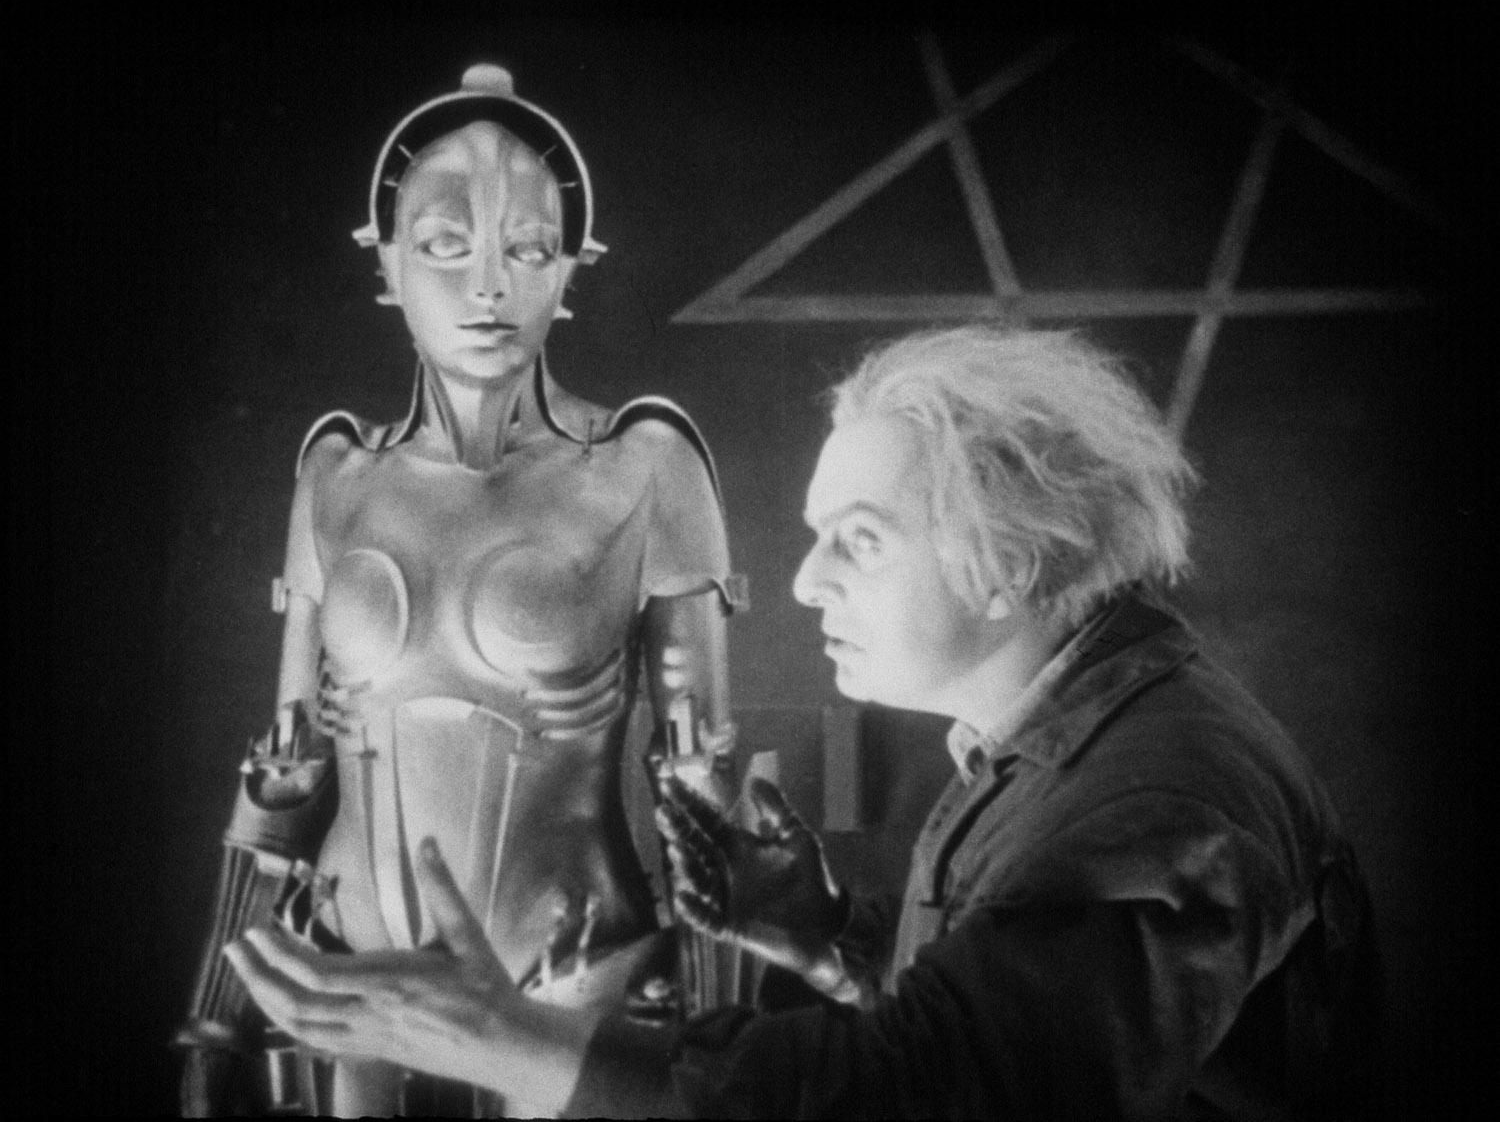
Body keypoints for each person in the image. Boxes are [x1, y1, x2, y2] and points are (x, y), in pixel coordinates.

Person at [224, 324, 1380, 1119]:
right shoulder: (1062, 744)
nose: (807, 581)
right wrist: (824, 934)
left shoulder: (1159, 800)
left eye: (859, 542)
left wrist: (512, 1043)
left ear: (1009, 565)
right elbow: (1010, 1027)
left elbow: (928, 1099)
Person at [177, 65, 746, 1117]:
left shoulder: (645, 466)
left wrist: (718, 1060)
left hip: (573, 977)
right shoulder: (336, 474)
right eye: (446, 244)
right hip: (354, 975)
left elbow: (700, 787)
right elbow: (285, 771)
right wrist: (213, 1023)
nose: (488, 285)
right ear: (387, 263)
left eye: (526, 248)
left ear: (567, 269)